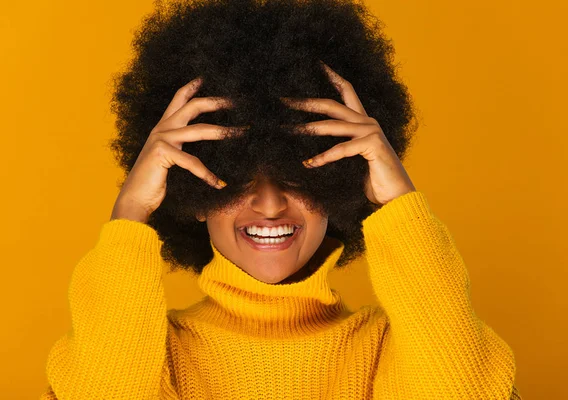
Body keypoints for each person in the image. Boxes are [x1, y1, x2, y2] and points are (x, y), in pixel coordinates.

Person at [40, 0, 521, 398]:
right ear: (192, 191)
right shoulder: (146, 357)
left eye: (299, 175)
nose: (270, 205)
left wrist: (400, 209)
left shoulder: (389, 352)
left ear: (342, 180)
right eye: (234, 179)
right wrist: (130, 217)